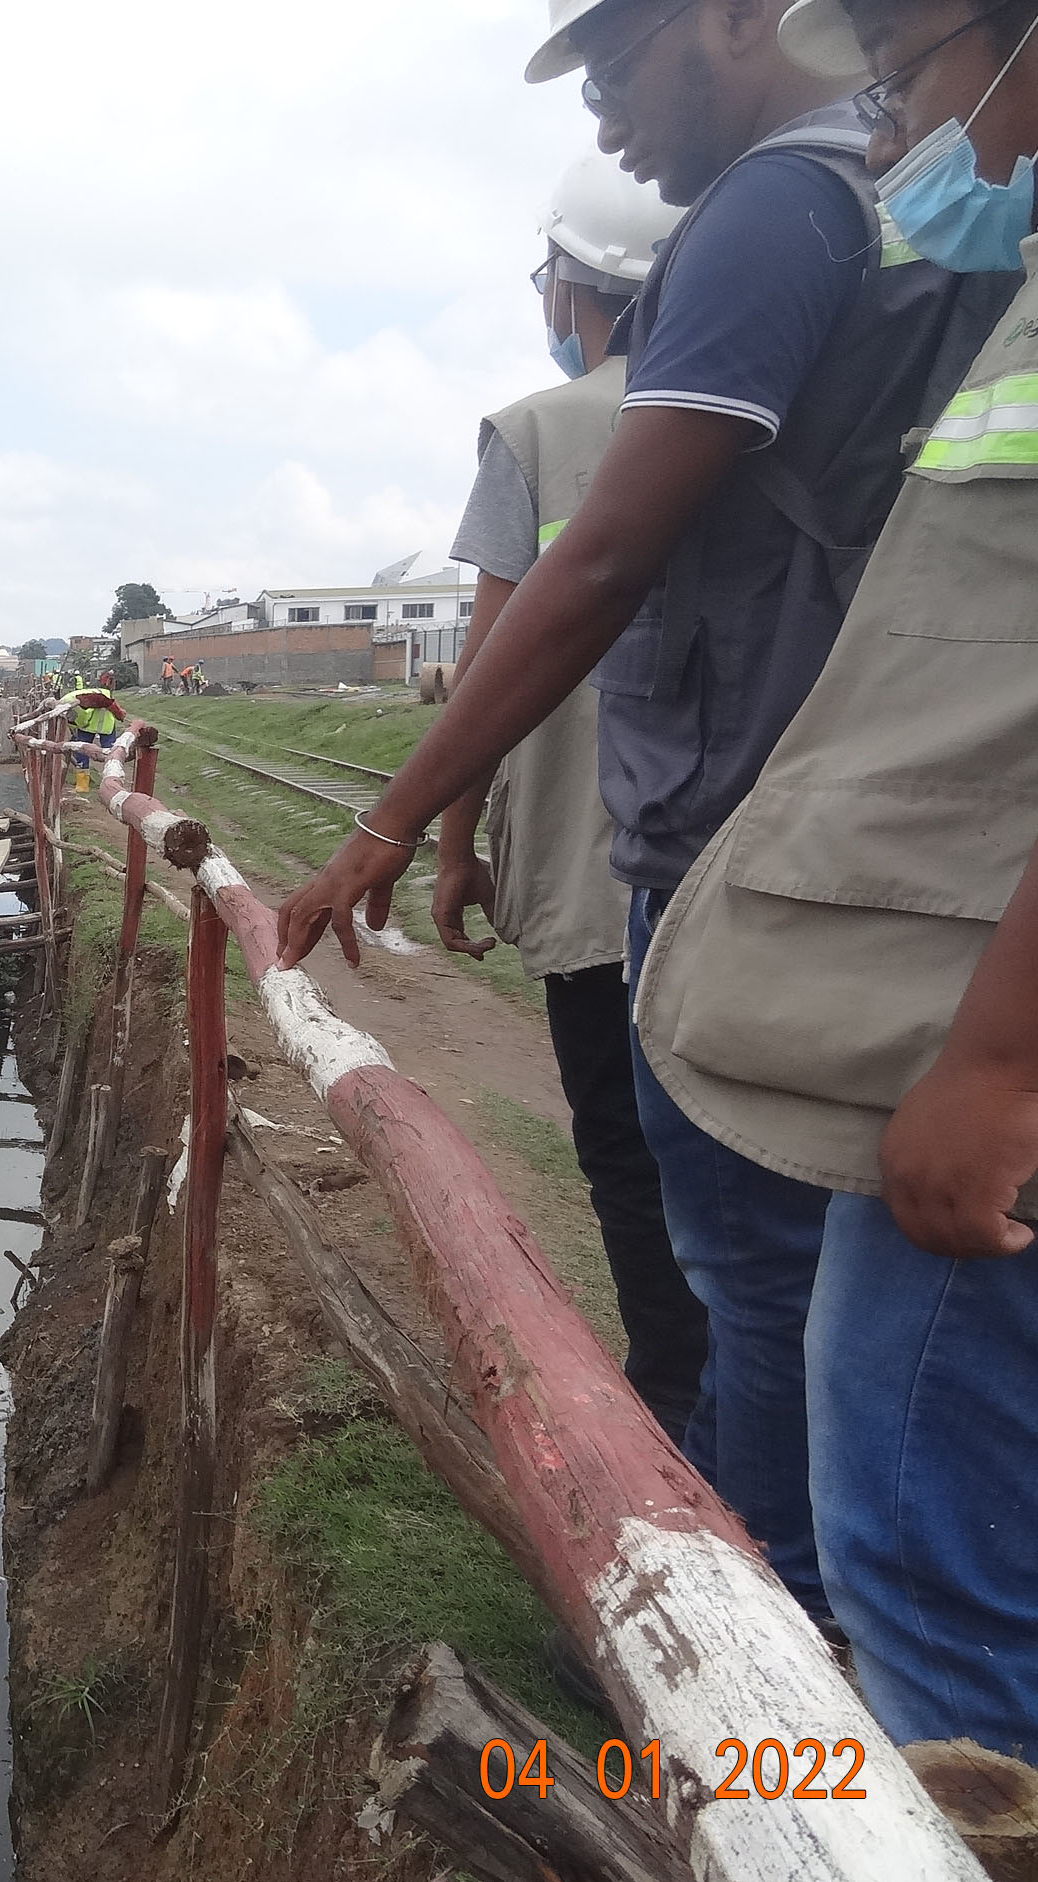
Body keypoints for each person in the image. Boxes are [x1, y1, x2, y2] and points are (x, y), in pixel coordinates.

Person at [274, 0, 1015, 1624]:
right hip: (821, 842)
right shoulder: (884, 201)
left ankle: (749, 1666)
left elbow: (594, 560)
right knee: (811, 1312)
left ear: (733, 23)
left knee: (752, 1290)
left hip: (745, 862)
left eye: (615, 62)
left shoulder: (771, 207)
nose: (602, 112)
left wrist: (390, 825)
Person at [635, 0, 1038, 1753]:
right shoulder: (999, 294)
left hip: (965, 1020)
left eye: (914, 64)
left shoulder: (778, 228)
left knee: (919, 1558)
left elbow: (594, 571)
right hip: (930, 980)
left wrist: (998, 1061)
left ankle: (806, 1772)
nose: (899, 129)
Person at [435, 152, 701, 1444]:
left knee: (628, 1161)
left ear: (570, 284)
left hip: (593, 875)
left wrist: (444, 844)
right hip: (734, 874)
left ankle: (677, 1442)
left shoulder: (534, 435)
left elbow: (485, 670)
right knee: (745, 1188)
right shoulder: (769, 392)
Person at [64, 674, 127, 792]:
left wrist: (77, 728)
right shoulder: (74, 699)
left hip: (95, 725)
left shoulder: (73, 701)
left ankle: (85, 786)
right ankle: (111, 785)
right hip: (101, 725)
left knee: (102, 753)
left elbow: (80, 719)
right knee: (110, 754)